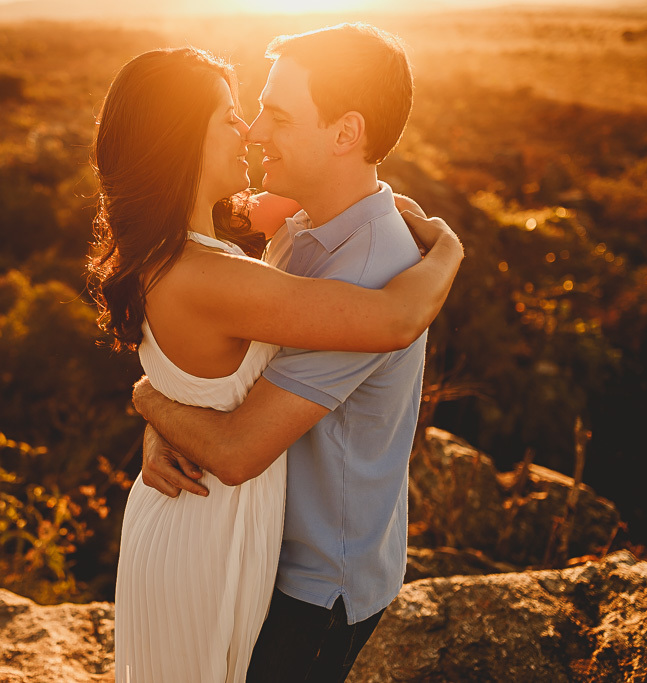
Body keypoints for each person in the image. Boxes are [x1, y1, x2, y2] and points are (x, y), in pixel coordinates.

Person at [87, 38, 462, 683]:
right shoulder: (292, 229)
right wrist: (155, 407)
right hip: (234, 541)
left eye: (276, 117)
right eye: (240, 114)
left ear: (347, 132)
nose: (255, 132)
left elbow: (237, 444)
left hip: (313, 581)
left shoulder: (371, 268)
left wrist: (153, 400)